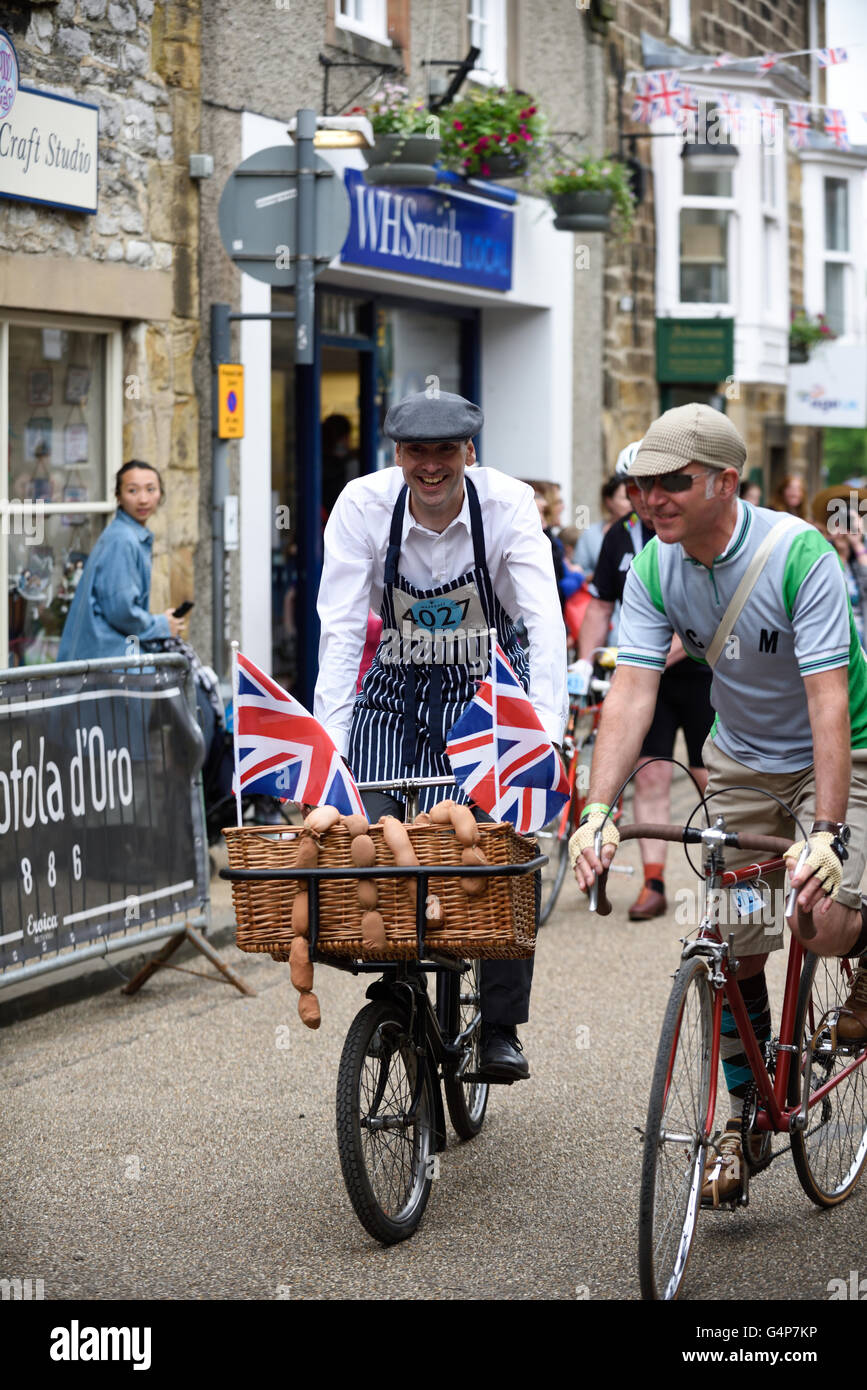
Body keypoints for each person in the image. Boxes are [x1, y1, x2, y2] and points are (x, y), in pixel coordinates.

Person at [570, 403, 867, 1201]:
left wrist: (828, 835)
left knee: (816, 913)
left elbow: (826, 702)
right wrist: (595, 812)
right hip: (739, 759)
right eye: (642, 482)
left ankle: (864, 945)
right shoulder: (653, 568)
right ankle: (740, 1121)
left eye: (673, 481)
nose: (651, 496)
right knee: (736, 947)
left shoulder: (796, 555)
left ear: (725, 482)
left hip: (841, 751)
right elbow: (632, 689)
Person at [315, 390, 568, 1080]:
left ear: (469, 454)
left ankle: (499, 1026)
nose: (429, 466)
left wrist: (542, 734)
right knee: (369, 833)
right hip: (396, 681)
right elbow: (340, 633)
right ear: (396, 455)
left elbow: (544, 622)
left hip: (486, 679)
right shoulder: (362, 506)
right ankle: (397, 984)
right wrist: (328, 753)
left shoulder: (508, 503)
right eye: (415, 452)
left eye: (444, 452)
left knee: (496, 844)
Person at [572, 440, 714, 919]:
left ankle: (722, 872)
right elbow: (600, 604)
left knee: (707, 776)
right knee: (651, 774)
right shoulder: (620, 536)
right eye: (633, 488)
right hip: (642, 677)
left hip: (700, 673)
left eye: (653, 485)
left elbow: (712, 621)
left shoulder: (690, 534)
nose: (643, 498)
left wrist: (655, 654)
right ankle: (653, 882)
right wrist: (585, 661)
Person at [58, 460, 183, 660]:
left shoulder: (129, 534)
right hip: (106, 657)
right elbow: (121, 611)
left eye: (151, 489)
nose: (143, 499)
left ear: (161, 494)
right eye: (132, 491)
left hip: (109, 654)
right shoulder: (123, 539)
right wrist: (161, 625)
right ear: (118, 496)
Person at [811, 485, 867, 649]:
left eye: (849, 522)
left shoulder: (861, 554)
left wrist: (857, 546)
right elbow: (830, 591)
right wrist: (840, 554)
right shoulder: (821, 551)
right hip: (832, 640)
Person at [575, 473, 634, 580]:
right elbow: (579, 569)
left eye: (633, 495)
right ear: (609, 501)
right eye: (626, 498)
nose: (631, 503)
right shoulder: (591, 534)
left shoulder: (642, 530)